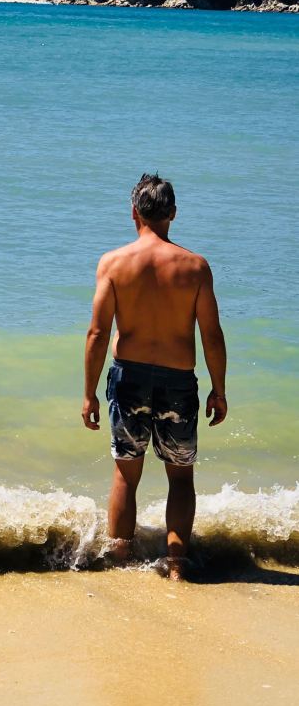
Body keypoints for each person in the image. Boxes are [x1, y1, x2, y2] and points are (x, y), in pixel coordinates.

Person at [81, 173, 227, 580]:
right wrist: (219, 388)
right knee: (180, 478)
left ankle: (121, 560)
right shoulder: (195, 267)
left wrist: (89, 393)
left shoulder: (113, 263)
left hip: (129, 380)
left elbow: (97, 333)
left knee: (126, 473)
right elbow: (211, 334)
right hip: (179, 382)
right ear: (173, 214)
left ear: (134, 213)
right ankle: (177, 566)